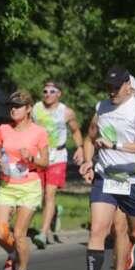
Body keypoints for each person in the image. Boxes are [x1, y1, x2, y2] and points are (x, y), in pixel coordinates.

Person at [72, 66, 135, 270]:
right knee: (97, 229)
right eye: (108, 87)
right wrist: (89, 161)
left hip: (133, 180)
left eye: (116, 87)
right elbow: (91, 136)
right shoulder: (102, 107)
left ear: (128, 86)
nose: (112, 91)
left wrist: (115, 145)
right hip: (105, 177)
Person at [0, 90, 48, 270]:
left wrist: (31, 158)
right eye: (11, 106)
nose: (13, 110)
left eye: (17, 106)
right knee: (0, 232)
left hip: (29, 186)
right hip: (7, 185)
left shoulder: (39, 132)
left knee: (18, 233)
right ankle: (13, 254)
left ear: (29, 109)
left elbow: (45, 163)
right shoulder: (3, 129)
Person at [31, 80, 83, 248]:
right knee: (37, 194)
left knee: (49, 194)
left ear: (59, 94)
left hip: (57, 156)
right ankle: (54, 213)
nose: (48, 94)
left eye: (52, 91)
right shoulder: (35, 109)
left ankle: (43, 233)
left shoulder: (66, 112)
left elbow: (75, 130)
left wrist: (80, 148)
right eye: (45, 91)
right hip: (38, 156)